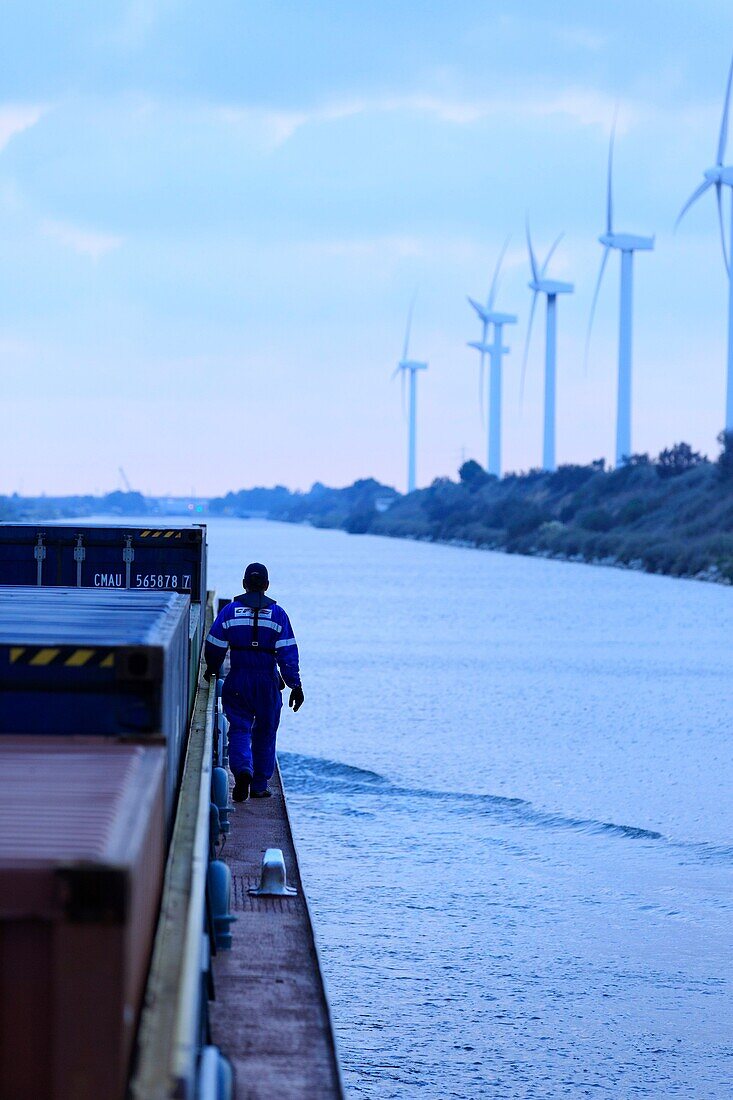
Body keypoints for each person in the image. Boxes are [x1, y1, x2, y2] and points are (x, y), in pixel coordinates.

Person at [204, 562, 304, 801]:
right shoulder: (279, 615)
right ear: (266, 586)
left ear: (244, 584)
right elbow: (288, 655)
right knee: (266, 732)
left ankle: (242, 771)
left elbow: (214, 645)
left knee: (239, 728)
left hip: (238, 678)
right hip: (267, 681)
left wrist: (212, 668)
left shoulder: (229, 611)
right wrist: (295, 686)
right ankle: (259, 785)